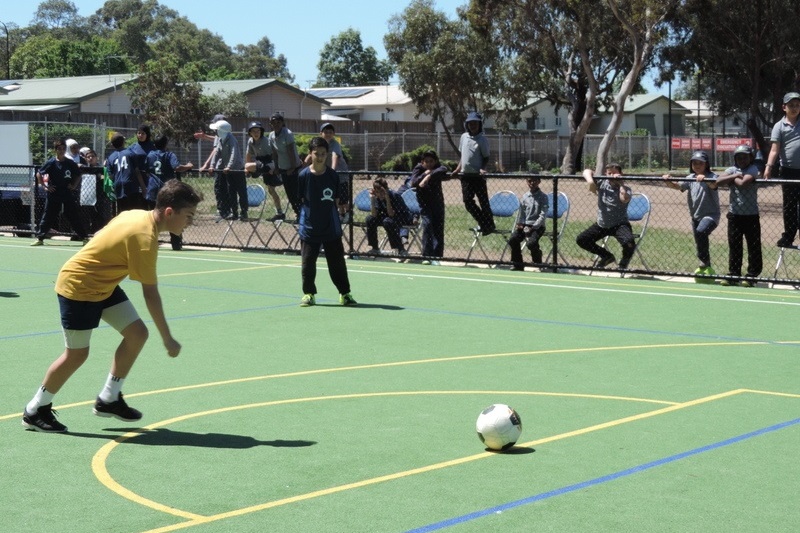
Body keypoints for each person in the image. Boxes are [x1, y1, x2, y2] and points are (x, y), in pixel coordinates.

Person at [21, 179, 202, 433]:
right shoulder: (144, 238)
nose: (190, 222)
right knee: (76, 355)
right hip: (79, 287)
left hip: (102, 285)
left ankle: (109, 398)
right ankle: (35, 409)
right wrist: (168, 338)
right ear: (169, 212)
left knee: (137, 333)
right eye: (189, 216)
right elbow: (150, 293)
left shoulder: (136, 214)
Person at [297, 136, 356, 307]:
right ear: (311, 154)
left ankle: (345, 294)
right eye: (317, 153)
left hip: (331, 228)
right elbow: (301, 200)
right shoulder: (303, 176)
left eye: (323, 153)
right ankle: (309, 294)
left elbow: (336, 201)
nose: (320, 157)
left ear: (327, 154)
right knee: (308, 263)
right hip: (309, 227)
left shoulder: (333, 176)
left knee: (337, 263)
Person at [662, 151, 720, 280]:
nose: (697, 166)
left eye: (700, 163)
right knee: (699, 241)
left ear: (706, 164)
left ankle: (704, 261)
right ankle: (706, 265)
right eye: (694, 163)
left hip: (711, 215)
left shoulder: (712, 176)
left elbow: (714, 185)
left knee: (701, 232)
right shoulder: (690, 178)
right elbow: (678, 187)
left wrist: (705, 179)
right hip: (696, 216)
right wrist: (668, 181)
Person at [715, 145, 762, 286]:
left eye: (745, 157)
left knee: (753, 246)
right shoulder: (732, 170)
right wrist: (734, 175)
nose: (742, 160)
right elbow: (716, 182)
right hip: (734, 215)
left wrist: (730, 178)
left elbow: (742, 183)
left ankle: (752, 275)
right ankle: (734, 274)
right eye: (739, 157)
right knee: (735, 246)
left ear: (751, 158)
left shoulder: (752, 169)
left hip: (751, 215)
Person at [30, 138, 90, 246]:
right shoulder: (51, 162)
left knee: (73, 215)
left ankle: (84, 238)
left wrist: (74, 185)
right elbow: (39, 174)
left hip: (67, 193)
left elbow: (78, 174)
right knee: (48, 216)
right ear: (55, 150)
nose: (61, 151)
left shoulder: (70, 163)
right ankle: (40, 238)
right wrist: (45, 187)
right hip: (54, 194)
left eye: (63, 149)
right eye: (59, 149)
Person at [576, 163, 635, 269]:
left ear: (621, 174)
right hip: (602, 224)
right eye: (609, 173)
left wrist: (621, 183)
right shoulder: (602, 183)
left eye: (615, 173)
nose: (612, 176)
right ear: (605, 174)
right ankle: (606, 256)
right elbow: (586, 171)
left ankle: (623, 264)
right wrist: (590, 182)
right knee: (582, 240)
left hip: (619, 224)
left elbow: (623, 199)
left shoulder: (626, 189)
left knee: (629, 243)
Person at [764, 91, 800, 248]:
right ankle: (788, 237)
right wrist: (768, 167)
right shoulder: (779, 126)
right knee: (790, 206)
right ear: (784, 107)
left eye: (797, 105)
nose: (794, 108)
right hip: (788, 171)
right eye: (791, 105)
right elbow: (774, 150)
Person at [146, 135, 194, 250]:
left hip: (153, 190)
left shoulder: (150, 155)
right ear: (166, 144)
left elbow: (147, 170)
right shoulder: (169, 155)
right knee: (173, 217)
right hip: (167, 191)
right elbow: (177, 167)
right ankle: (176, 244)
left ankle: (150, 243)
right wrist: (188, 166)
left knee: (153, 218)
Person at [451, 111, 495, 235]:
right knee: (468, 202)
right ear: (467, 125)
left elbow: (486, 157)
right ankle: (484, 223)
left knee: (483, 202)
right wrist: (457, 169)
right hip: (465, 176)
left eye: (475, 123)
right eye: (470, 123)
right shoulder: (463, 137)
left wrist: (482, 168)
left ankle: (489, 225)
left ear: (479, 124)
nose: (472, 125)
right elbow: (463, 156)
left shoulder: (482, 139)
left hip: (478, 176)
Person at [409, 149, 448, 258]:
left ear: (435, 161)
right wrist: (424, 175)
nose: (429, 164)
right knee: (427, 225)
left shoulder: (438, 168)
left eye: (432, 161)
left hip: (438, 203)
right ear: (422, 162)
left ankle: (437, 256)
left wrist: (429, 176)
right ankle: (426, 255)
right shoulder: (419, 168)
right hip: (425, 204)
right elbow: (413, 182)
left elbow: (444, 169)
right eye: (427, 161)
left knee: (438, 229)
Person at [245, 121, 284, 221]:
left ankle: (257, 173)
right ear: (250, 133)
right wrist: (247, 170)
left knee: (248, 165)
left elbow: (276, 155)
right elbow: (248, 155)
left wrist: (274, 168)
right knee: (271, 190)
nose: (256, 133)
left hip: (270, 162)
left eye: (258, 131)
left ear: (261, 132)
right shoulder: (250, 141)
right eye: (253, 131)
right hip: (260, 162)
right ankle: (280, 213)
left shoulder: (266, 141)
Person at [208, 119, 247, 221]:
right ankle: (234, 213)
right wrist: (212, 165)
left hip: (237, 170)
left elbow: (234, 154)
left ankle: (244, 212)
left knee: (241, 192)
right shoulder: (221, 140)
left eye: (216, 130)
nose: (215, 132)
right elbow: (217, 153)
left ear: (221, 131)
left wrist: (229, 166)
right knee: (231, 192)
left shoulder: (232, 139)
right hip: (228, 171)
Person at [508, 176, 549, 271]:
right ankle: (518, 264)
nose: (532, 183)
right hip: (525, 225)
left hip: (538, 226)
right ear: (527, 182)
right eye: (529, 181)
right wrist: (520, 223)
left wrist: (534, 227)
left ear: (539, 182)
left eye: (534, 181)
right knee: (513, 239)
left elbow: (543, 215)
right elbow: (522, 213)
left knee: (531, 243)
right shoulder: (525, 196)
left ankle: (538, 262)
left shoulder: (543, 197)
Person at [268, 113, 304, 218]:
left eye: (278, 122)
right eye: (273, 122)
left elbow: (291, 151)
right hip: (283, 169)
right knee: (289, 194)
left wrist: (292, 168)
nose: (276, 124)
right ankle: (297, 213)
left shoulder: (287, 133)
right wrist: (277, 168)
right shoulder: (271, 135)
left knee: (297, 193)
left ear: (282, 122)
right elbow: (274, 153)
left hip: (294, 168)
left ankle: (302, 214)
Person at [365, 177, 412, 255]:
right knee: (370, 219)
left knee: (387, 221)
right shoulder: (376, 197)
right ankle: (374, 248)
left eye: (381, 192)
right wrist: (372, 200)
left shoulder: (394, 195)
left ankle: (399, 249)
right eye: (377, 192)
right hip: (387, 217)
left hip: (401, 217)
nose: (380, 194)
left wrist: (387, 199)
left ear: (386, 189)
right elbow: (374, 214)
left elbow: (391, 214)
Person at [107, 133, 146, 213]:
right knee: (134, 210)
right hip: (131, 185)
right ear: (123, 142)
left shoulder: (110, 157)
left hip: (118, 186)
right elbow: (137, 171)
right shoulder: (130, 153)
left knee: (123, 211)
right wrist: (143, 187)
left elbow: (110, 176)